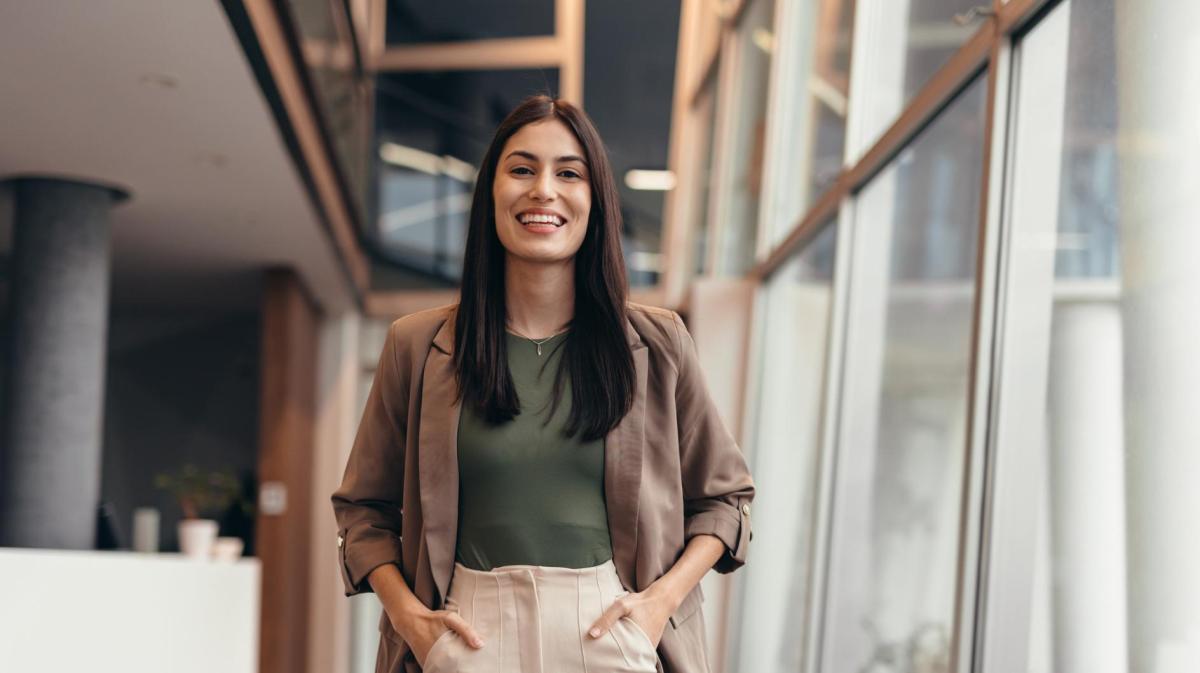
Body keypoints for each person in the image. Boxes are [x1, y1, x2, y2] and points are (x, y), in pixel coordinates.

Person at [331, 94, 755, 673]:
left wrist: (659, 604)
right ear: (491, 195)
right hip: (469, 638)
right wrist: (411, 620)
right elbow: (363, 510)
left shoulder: (658, 344)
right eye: (522, 169)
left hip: (610, 635)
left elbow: (725, 500)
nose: (543, 191)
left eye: (569, 173)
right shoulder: (417, 346)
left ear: (595, 200)